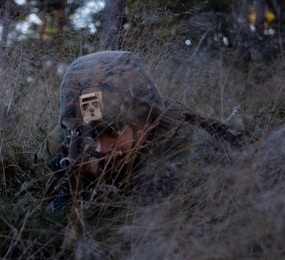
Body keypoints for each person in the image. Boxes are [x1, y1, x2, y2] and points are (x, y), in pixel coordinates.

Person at [37, 50, 241, 210]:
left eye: (114, 131)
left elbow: (165, 237)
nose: (100, 147)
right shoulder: (71, 136)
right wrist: (64, 192)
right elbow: (26, 205)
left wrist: (100, 202)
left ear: (147, 121)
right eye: (89, 133)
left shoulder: (187, 149)